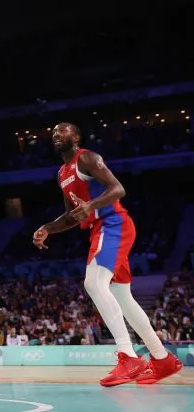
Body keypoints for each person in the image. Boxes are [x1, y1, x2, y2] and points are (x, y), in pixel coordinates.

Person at [33, 122, 183, 386]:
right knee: (123, 298)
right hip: (99, 229)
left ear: (76, 137)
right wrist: (48, 228)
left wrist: (91, 204)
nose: (56, 134)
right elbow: (72, 215)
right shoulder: (62, 173)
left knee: (93, 282)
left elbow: (118, 189)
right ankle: (162, 359)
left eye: (63, 130)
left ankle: (128, 356)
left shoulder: (87, 158)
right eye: (53, 132)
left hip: (113, 224)